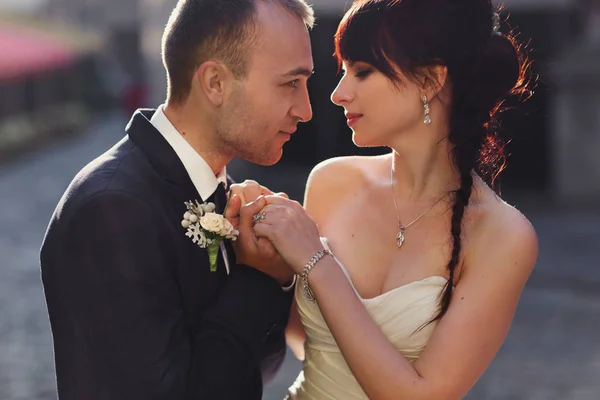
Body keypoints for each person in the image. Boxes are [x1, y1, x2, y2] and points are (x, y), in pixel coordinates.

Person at [232, 0, 538, 398]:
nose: (338, 94)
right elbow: (306, 339)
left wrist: (315, 262)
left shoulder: (505, 236)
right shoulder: (331, 181)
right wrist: (273, 266)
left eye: (362, 72)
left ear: (430, 80)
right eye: (343, 71)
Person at [39, 0, 314, 399]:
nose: (306, 110)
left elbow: (251, 372)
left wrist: (275, 274)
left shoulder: (222, 193)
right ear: (215, 83)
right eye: (291, 83)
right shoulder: (111, 209)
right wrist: (257, 279)